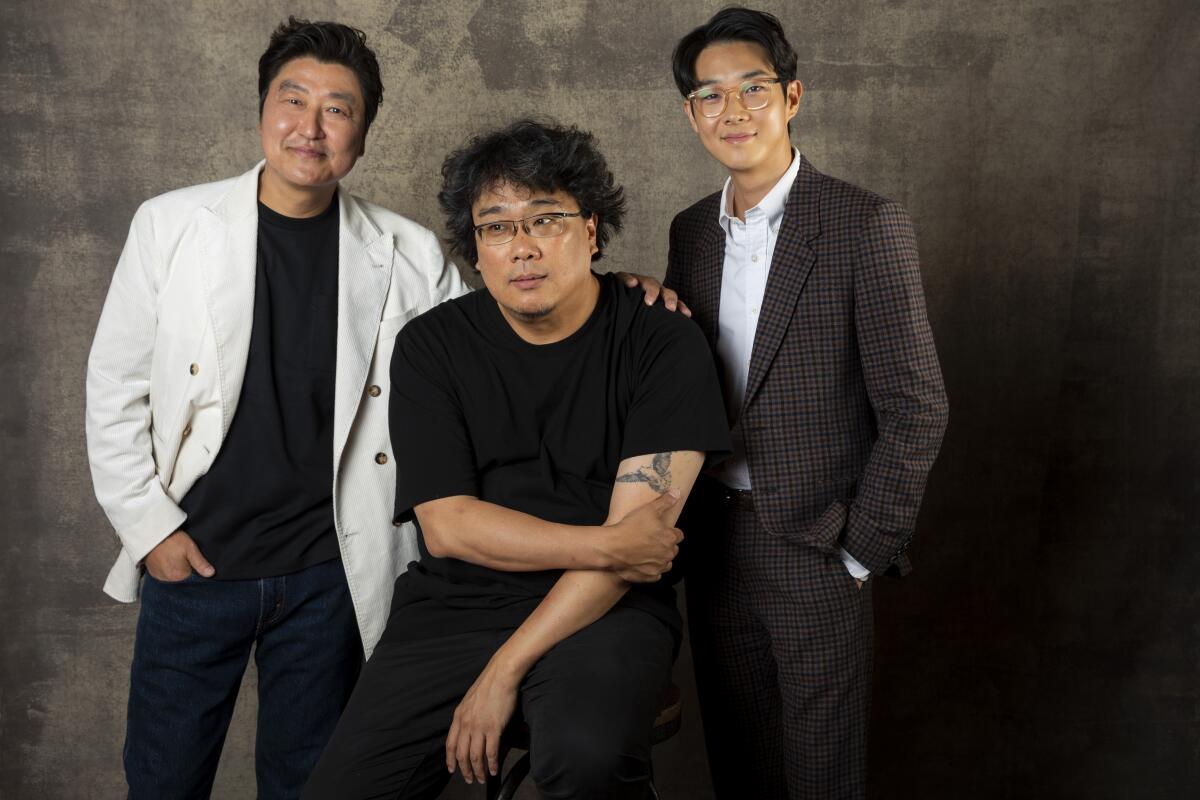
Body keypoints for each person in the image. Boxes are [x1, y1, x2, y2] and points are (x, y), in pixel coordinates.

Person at [85, 20, 675, 798]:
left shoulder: (406, 251)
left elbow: (511, 317)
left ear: (362, 133)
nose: (311, 125)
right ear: (263, 109)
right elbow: (113, 388)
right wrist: (151, 529)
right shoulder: (170, 226)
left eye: (339, 109)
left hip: (331, 571)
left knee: (309, 779)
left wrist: (611, 281)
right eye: (293, 100)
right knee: (162, 780)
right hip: (197, 561)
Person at [302, 120, 730, 799]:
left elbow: (638, 555)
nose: (522, 247)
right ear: (476, 249)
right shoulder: (431, 347)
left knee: (586, 759)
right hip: (454, 607)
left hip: (606, 610)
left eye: (546, 220)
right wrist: (607, 542)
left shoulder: (661, 342)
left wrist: (503, 670)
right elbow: (450, 528)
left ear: (591, 230)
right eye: (496, 227)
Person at [665, 8, 950, 799]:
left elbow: (917, 405)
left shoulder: (865, 224)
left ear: (792, 96)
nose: (734, 112)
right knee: (740, 768)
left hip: (819, 546)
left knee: (822, 777)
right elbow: (686, 375)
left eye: (752, 88)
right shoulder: (690, 232)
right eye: (711, 96)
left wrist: (862, 549)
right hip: (714, 542)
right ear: (692, 114)